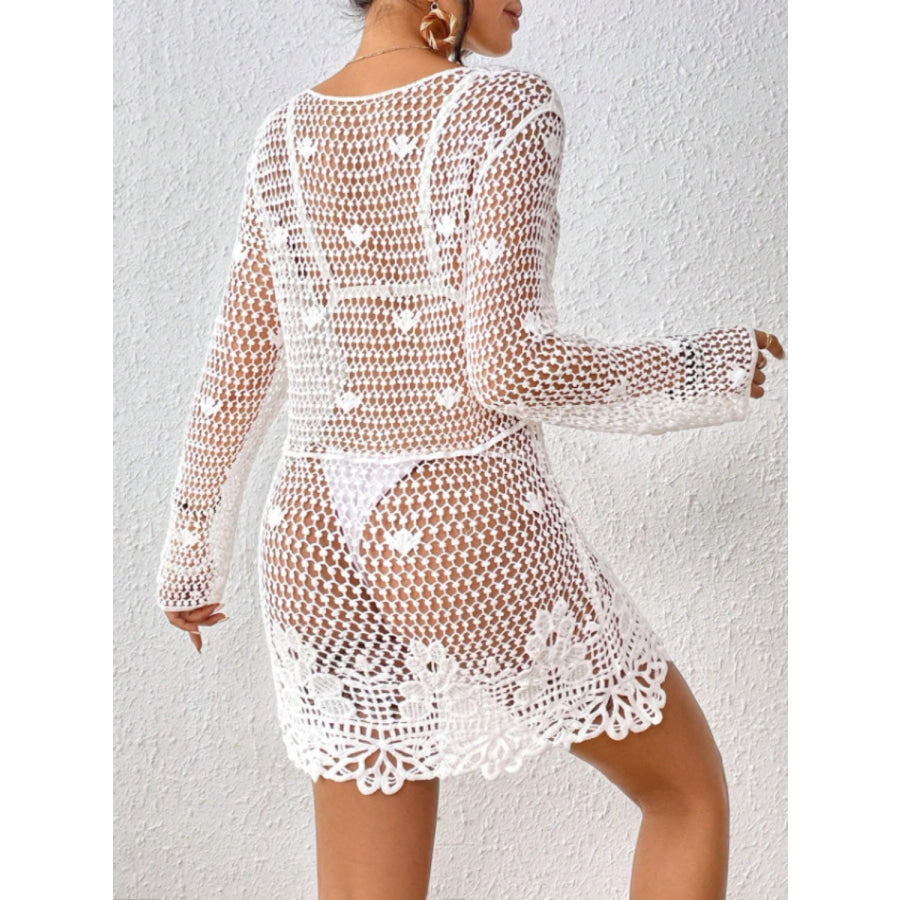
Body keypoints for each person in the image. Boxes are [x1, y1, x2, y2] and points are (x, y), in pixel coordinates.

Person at [155, 1, 784, 898]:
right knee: (687, 796)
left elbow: (238, 364)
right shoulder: (505, 107)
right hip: (452, 511)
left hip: (312, 536)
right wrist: (698, 367)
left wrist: (189, 557)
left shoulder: (283, 137)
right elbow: (512, 365)